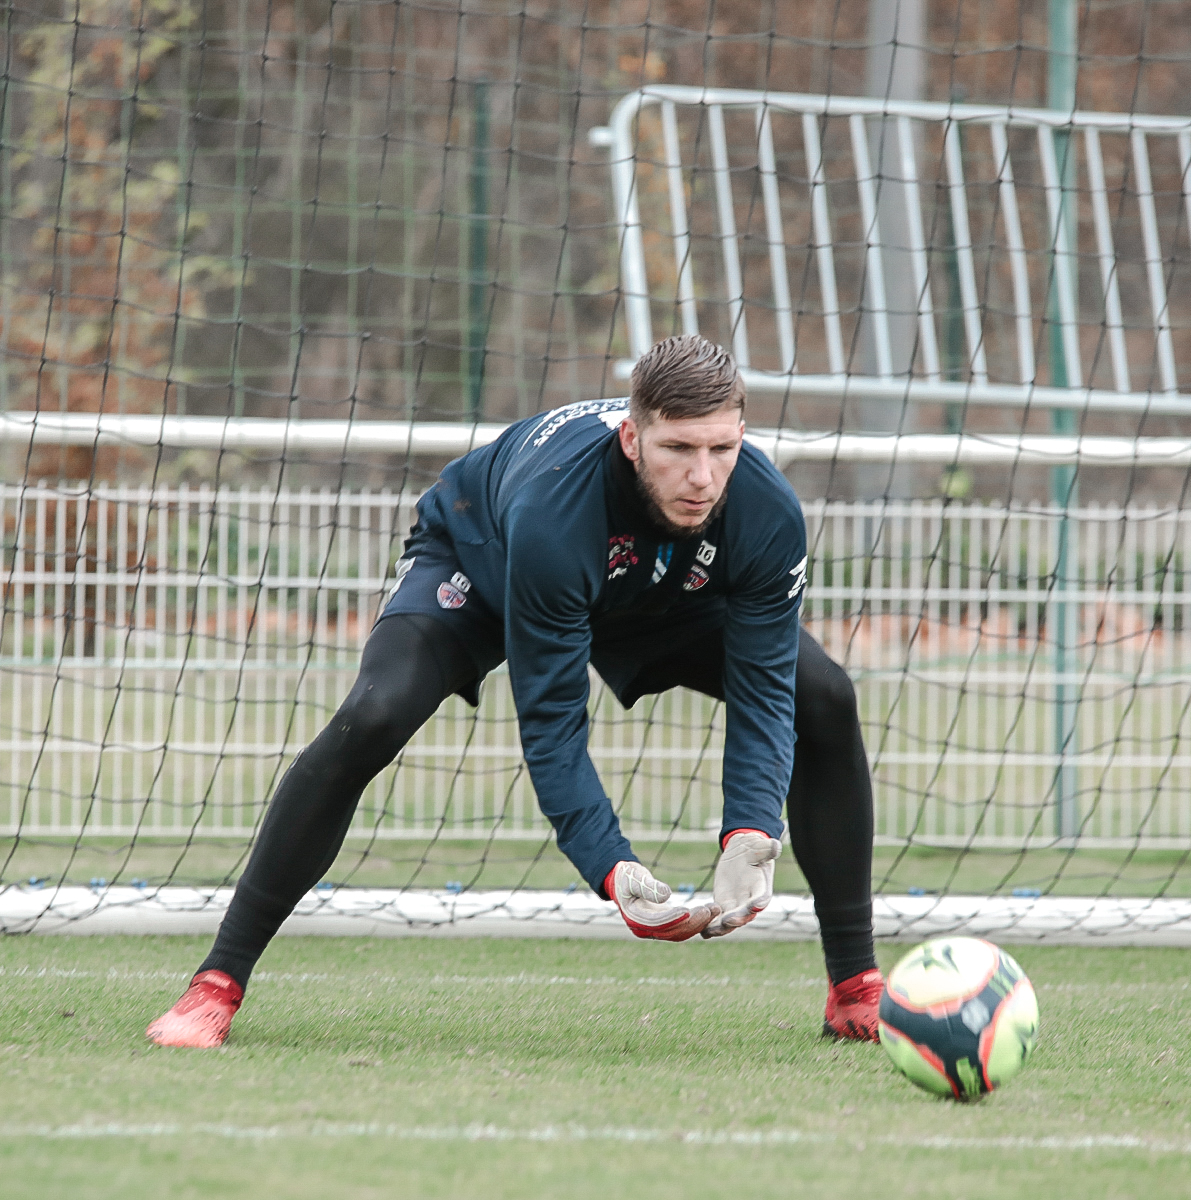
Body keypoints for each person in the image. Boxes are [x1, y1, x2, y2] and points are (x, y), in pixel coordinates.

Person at [146, 335, 882, 1048]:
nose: (702, 476)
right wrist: (610, 866)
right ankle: (217, 982)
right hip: (487, 562)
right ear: (632, 440)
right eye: (678, 449)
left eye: (721, 449)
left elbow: (763, 693)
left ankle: (854, 988)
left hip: (658, 595)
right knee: (373, 715)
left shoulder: (767, 511)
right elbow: (552, 722)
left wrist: (751, 831)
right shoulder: (555, 513)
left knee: (823, 697)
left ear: (742, 437)